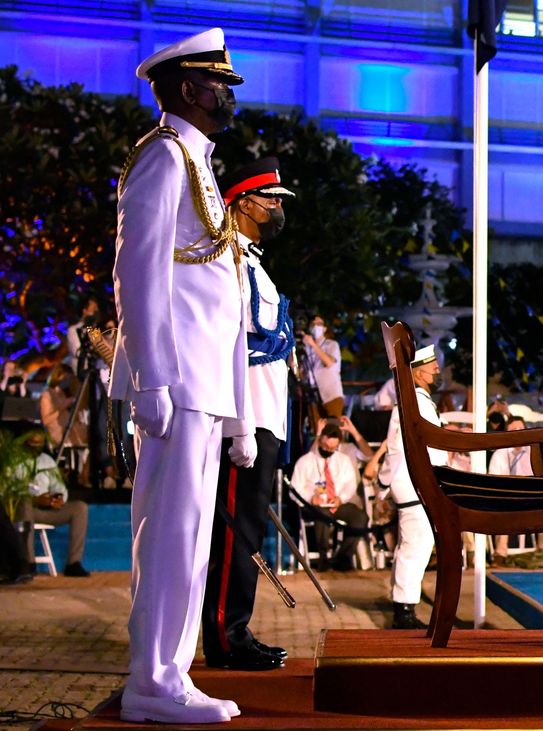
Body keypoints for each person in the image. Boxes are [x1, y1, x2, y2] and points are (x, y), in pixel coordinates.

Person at [108, 28, 254, 724]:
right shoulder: (163, 161)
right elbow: (136, 277)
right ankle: (153, 680)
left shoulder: (198, 165)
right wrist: (153, 378)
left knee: (189, 535)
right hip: (176, 384)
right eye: (219, 81)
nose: (228, 92)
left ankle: (170, 674)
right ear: (189, 87)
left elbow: (217, 294)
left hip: (201, 385)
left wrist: (235, 409)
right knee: (169, 533)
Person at [201, 157, 296, 672]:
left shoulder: (252, 261)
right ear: (241, 202)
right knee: (235, 533)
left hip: (265, 417)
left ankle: (235, 628)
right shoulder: (229, 260)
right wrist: (239, 425)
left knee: (249, 533)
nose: (278, 208)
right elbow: (231, 343)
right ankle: (225, 635)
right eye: (271, 199)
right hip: (248, 418)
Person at [377, 344, 446, 629]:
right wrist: (384, 483)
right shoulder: (414, 402)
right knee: (415, 546)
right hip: (415, 483)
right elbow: (398, 448)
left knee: (415, 544)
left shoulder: (415, 400)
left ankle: (404, 605)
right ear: (417, 373)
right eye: (432, 365)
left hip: (415, 482)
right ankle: (404, 610)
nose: (437, 369)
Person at [290, 420, 371, 570]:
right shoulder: (305, 461)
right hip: (314, 506)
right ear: (320, 440)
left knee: (360, 518)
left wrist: (341, 498)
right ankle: (323, 558)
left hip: (336, 503)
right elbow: (294, 488)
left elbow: (350, 484)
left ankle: (342, 558)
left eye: (332, 448)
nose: (328, 450)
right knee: (322, 513)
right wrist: (310, 498)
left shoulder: (343, 460)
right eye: (326, 447)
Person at [16, 430, 91, 577]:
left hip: (48, 509)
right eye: (33, 444)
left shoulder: (47, 461)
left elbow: (59, 487)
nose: (36, 447)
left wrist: (57, 499)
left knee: (80, 508)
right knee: (24, 505)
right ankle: (29, 563)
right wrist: (36, 500)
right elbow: (12, 492)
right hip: (27, 509)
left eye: (39, 444)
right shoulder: (16, 461)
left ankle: (73, 563)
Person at [488, 415, 543, 567]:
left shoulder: (534, 452)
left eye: (521, 429)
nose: (518, 432)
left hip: (531, 495)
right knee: (501, 511)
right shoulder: (500, 454)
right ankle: (500, 554)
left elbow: (541, 475)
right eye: (514, 429)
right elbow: (494, 479)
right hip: (508, 496)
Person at [301, 314, 344, 424]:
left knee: (333, 429)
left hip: (331, 395)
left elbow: (329, 362)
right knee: (317, 432)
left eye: (319, 324)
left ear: (324, 329)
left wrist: (313, 345)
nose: (316, 327)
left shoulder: (331, 344)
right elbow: (302, 374)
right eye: (313, 324)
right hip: (314, 396)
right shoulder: (306, 349)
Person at [65, 297, 100, 369]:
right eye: (94, 309)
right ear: (85, 311)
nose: (96, 311)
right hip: (84, 372)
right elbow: (78, 352)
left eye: (97, 308)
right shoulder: (74, 330)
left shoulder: (96, 329)